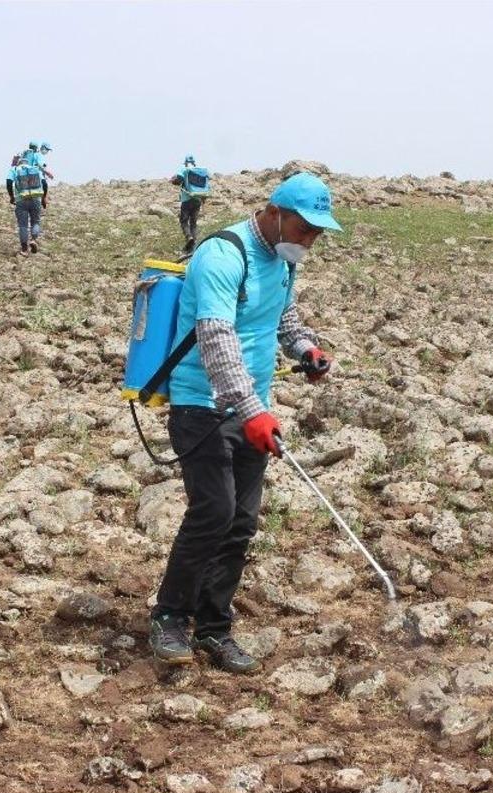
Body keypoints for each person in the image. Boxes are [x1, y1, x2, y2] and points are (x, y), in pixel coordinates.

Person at [148, 172, 340, 674]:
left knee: (242, 522)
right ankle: (169, 615)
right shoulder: (222, 255)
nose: (310, 241)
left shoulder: (282, 260)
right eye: (304, 229)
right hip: (201, 405)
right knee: (214, 510)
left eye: (317, 233)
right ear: (275, 213)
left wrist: (307, 349)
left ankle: (215, 628)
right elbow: (216, 339)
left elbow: (282, 319)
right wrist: (251, 410)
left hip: (251, 407)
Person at [6, 157, 45, 254]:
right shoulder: (34, 169)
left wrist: (11, 196)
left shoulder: (15, 169)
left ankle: (24, 249)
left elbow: (9, 182)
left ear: (19, 163)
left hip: (21, 200)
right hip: (36, 198)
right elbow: (44, 183)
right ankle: (34, 240)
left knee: (23, 225)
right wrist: (43, 198)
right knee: (35, 222)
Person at [171, 154, 207, 253]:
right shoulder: (200, 171)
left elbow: (178, 180)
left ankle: (189, 237)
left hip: (187, 199)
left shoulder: (185, 169)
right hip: (197, 200)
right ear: (194, 162)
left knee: (183, 221)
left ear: (186, 162)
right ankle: (194, 247)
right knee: (193, 224)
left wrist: (172, 180)